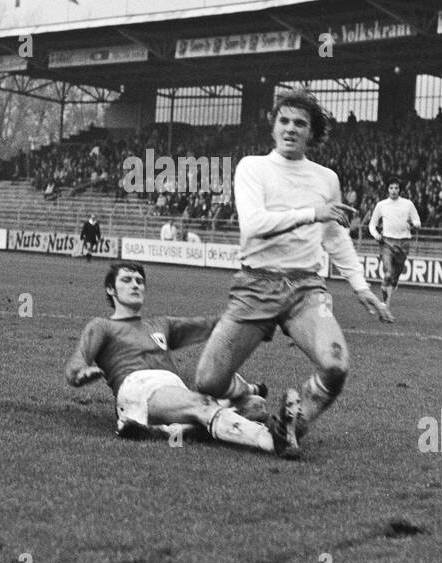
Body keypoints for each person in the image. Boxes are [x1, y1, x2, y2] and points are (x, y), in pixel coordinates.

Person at [192, 90, 393, 460]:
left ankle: (290, 425)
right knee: (207, 382)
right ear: (273, 127)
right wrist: (312, 213)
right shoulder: (253, 168)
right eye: (283, 121)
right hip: (256, 285)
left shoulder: (326, 178)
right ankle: (246, 394)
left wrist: (361, 287)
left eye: (300, 123)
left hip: (305, 289)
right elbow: (254, 225)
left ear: (312, 133)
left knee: (336, 366)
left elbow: (335, 236)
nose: (290, 128)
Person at [65, 262, 282, 454]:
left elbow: (210, 325)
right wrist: (80, 373)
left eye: (140, 281)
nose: (135, 285)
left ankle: (167, 434)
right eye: (127, 280)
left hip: (173, 391)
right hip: (138, 389)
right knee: (203, 403)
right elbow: (77, 362)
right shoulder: (102, 326)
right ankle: (271, 440)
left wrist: (255, 321)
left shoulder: (161, 325)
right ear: (111, 289)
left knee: (256, 405)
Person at [368, 178, 422, 302]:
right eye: (391, 188)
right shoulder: (381, 205)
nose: (393, 191)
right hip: (386, 242)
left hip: (404, 242)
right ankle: (384, 290)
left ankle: (389, 289)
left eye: (396, 188)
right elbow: (372, 225)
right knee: (387, 273)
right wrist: (376, 235)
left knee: (394, 277)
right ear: (387, 189)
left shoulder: (408, 204)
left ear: (400, 190)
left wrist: (414, 224)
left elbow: (417, 221)